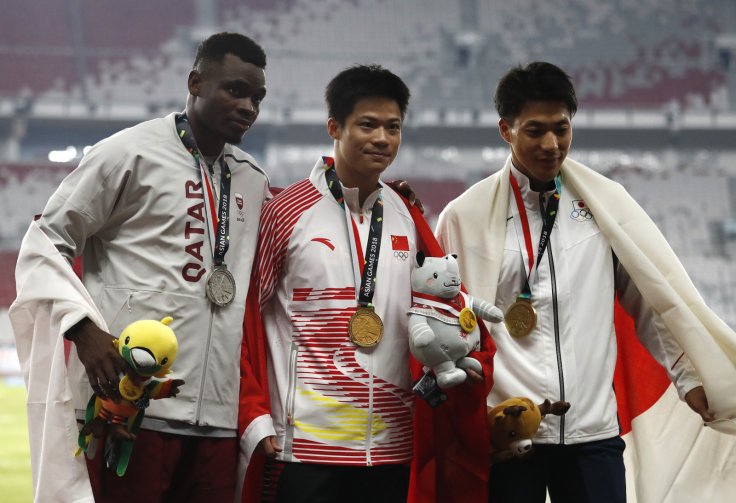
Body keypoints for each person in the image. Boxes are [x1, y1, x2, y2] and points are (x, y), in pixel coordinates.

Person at [436, 61, 736, 502]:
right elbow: (449, 324)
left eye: (562, 127)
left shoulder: (605, 204)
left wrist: (687, 377)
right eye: (535, 130)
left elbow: (652, 300)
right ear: (506, 129)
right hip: (511, 434)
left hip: (592, 431)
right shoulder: (465, 215)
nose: (552, 144)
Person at [11, 32, 271, 503]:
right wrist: (81, 329)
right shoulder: (126, 153)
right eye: (236, 90)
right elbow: (45, 241)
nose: (249, 106)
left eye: (258, 97)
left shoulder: (254, 180)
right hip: (129, 407)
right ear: (195, 82)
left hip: (217, 418)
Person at [237, 64, 495, 503]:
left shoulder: (406, 215)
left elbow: (438, 308)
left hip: (391, 448)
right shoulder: (285, 213)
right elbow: (243, 324)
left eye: (393, 127)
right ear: (334, 127)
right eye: (367, 125)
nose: (382, 138)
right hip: (303, 447)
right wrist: (253, 416)